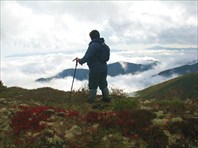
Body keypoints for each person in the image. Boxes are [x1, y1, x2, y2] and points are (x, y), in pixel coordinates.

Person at [74, 30, 110, 103]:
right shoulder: (105, 46)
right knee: (103, 83)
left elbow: (88, 56)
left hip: (95, 68)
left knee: (93, 84)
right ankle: (106, 98)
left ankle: (91, 100)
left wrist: (80, 61)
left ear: (91, 37)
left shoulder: (93, 45)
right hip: (104, 67)